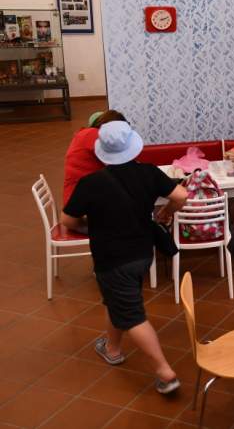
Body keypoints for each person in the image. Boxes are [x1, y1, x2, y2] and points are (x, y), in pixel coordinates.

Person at [61, 121, 188, 394]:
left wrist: (88, 227)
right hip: (143, 253)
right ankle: (113, 348)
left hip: (112, 259)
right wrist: (166, 213)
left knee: (132, 315)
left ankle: (165, 372)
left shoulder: (91, 183)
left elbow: (68, 220)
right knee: (118, 300)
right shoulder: (149, 172)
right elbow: (181, 195)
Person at [63, 110, 127, 206]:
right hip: (79, 203)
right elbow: (118, 165)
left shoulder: (86, 133)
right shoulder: (94, 136)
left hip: (77, 195)